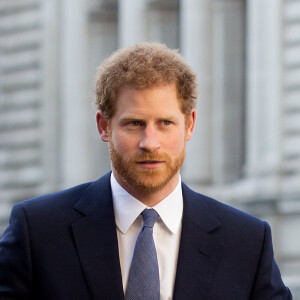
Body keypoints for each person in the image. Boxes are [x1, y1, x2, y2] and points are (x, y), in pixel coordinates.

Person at [0, 42, 292, 300]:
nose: (150, 143)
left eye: (165, 123)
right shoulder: (37, 231)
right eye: (134, 124)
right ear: (104, 126)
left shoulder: (247, 242)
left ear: (189, 124)